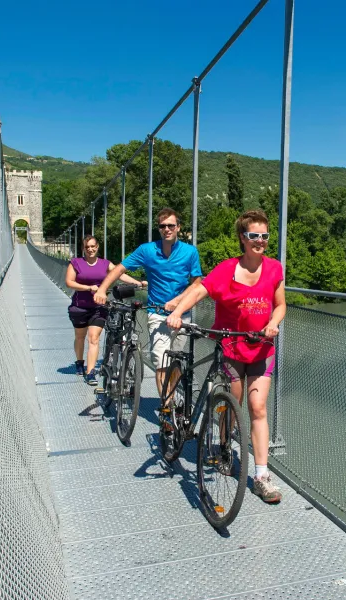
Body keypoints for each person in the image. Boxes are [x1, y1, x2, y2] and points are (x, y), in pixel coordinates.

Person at [166, 209, 286, 504]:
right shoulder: (226, 269)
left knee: (258, 408)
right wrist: (179, 312)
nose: (260, 241)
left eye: (264, 236)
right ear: (242, 238)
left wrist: (273, 322)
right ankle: (223, 448)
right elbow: (200, 290)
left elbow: (281, 305)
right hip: (231, 347)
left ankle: (261, 476)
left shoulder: (274, 269)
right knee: (233, 406)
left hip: (260, 348)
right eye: (253, 235)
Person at [94, 208, 203, 397]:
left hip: (182, 314)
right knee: (161, 362)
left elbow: (197, 283)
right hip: (157, 313)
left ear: (178, 227)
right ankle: (167, 410)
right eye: (163, 226)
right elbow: (119, 269)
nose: (167, 229)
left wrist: (177, 301)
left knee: (176, 361)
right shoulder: (147, 250)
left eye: (171, 225)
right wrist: (103, 289)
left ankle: (174, 401)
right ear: (159, 229)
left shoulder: (190, 252)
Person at [66, 235, 145, 385]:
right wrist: (88, 288)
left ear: (97, 247)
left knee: (94, 338)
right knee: (80, 337)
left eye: (93, 246)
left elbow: (120, 275)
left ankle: (90, 373)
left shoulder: (105, 264)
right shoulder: (76, 263)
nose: (90, 249)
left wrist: (139, 283)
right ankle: (79, 361)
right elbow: (69, 282)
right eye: (87, 247)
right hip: (80, 307)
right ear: (83, 248)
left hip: (99, 307)